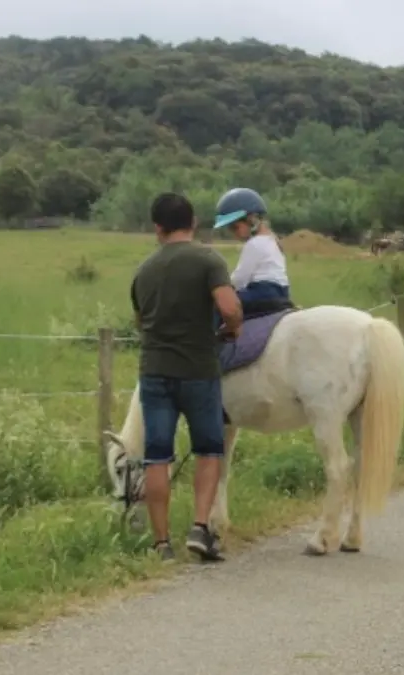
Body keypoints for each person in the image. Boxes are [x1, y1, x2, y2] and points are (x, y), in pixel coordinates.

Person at [130, 193, 243, 563]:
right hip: (198, 371)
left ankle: (162, 544)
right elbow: (228, 307)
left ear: (157, 228)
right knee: (209, 450)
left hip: (154, 372)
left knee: (157, 457)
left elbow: (140, 322)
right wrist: (232, 327)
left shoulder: (144, 270)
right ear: (192, 223)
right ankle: (199, 528)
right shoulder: (209, 260)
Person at [212, 188, 290, 308]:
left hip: (261, 292)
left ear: (252, 220)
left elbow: (240, 279)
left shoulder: (254, 244)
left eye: (235, 227)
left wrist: (226, 288)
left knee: (220, 305)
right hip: (282, 292)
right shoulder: (273, 240)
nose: (233, 233)